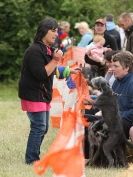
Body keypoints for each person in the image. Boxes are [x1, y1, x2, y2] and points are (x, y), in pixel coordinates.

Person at [18, 17, 76, 165]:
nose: (56, 34)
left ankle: (33, 156)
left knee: (43, 128)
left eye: (56, 30)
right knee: (39, 126)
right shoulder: (34, 51)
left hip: (41, 94)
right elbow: (42, 73)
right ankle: (31, 159)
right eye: (53, 30)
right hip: (33, 94)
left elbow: (53, 71)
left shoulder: (46, 49)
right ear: (44, 31)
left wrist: (70, 71)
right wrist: (56, 60)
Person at [111, 51, 133, 140]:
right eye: (112, 66)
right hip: (116, 117)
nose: (112, 69)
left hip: (126, 121)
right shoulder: (116, 82)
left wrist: (117, 116)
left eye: (116, 66)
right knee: (87, 118)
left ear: (126, 68)